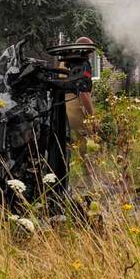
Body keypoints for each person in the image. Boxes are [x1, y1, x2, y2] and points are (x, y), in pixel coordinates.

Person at [61, 37, 98, 181]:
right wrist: (93, 117)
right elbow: (84, 94)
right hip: (76, 109)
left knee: (63, 145)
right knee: (87, 145)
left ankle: (63, 179)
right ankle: (90, 178)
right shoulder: (83, 64)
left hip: (61, 109)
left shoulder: (64, 62)